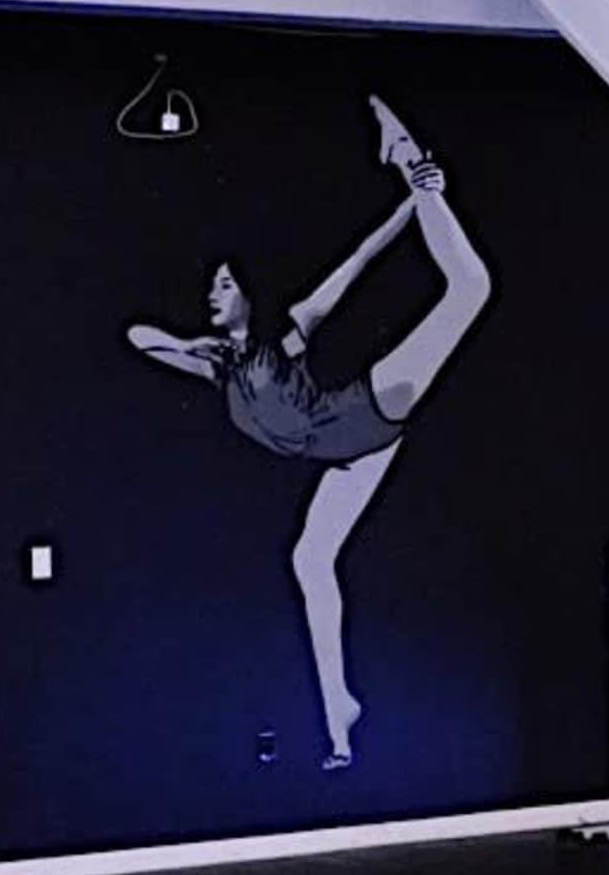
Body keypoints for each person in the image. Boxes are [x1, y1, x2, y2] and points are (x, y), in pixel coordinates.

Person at [127, 96, 490, 768]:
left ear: (250, 295)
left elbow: (354, 266)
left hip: (363, 416)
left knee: (470, 288)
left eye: (226, 282)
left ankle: (410, 158)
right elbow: (139, 338)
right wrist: (200, 346)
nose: (215, 290)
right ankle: (339, 717)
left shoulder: (281, 341)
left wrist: (414, 202)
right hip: (348, 459)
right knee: (308, 561)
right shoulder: (221, 371)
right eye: (212, 284)